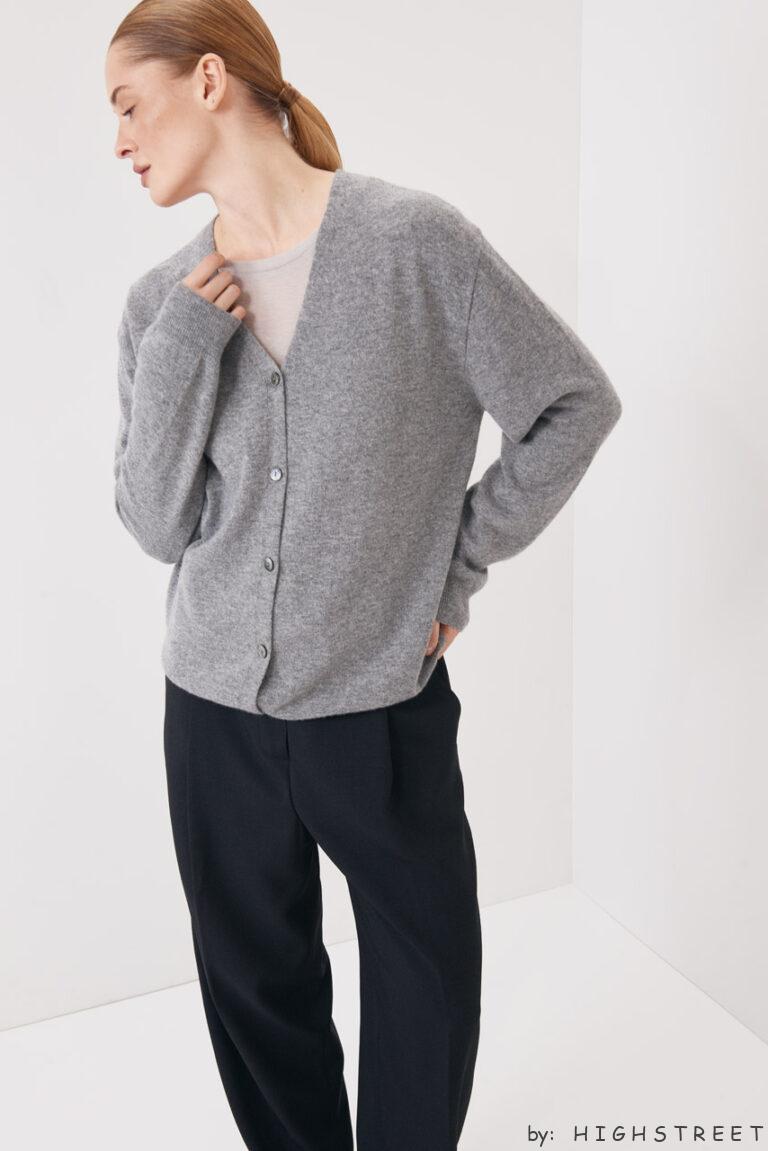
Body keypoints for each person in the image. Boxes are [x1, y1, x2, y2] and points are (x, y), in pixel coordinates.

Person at [106, 2, 622, 1148]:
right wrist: (185, 347)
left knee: (424, 967)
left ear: (208, 80)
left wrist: (454, 569)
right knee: (254, 984)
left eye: (129, 106)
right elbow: (154, 522)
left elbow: (570, 403)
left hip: (378, 700)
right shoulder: (160, 303)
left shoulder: (412, 245)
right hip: (212, 712)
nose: (120, 140)